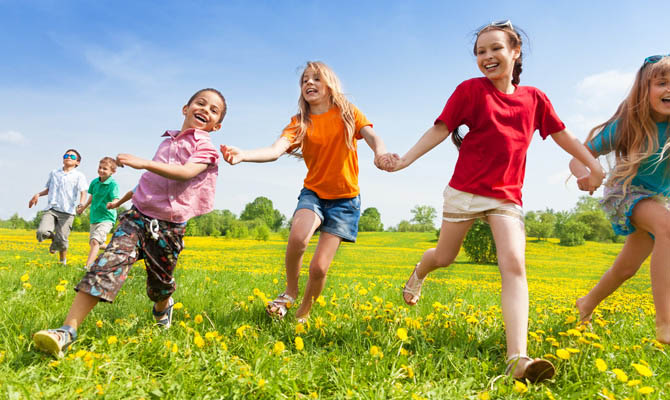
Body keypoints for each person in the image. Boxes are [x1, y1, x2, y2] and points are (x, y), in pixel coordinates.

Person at [379, 21, 605, 382]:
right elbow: (440, 128)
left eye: (495, 48)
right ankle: (418, 273)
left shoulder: (535, 99)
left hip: (506, 197)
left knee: (514, 264)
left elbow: (564, 136)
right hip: (465, 191)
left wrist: (594, 166)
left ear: (515, 52)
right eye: (480, 52)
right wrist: (405, 159)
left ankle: (518, 359)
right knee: (444, 257)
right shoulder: (470, 91)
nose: (487, 57)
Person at [32, 88, 226, 356]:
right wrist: (123, 199)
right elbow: (150, 182)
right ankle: (67, 331)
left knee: (160, 284)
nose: (205, 109)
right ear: (185, 108)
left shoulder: (205, 146)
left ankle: (162, 307)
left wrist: (142, 162)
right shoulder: (167, 141)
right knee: (105, 264)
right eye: (200, 103)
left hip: (168, 227)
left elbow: (185, 173)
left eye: (213, 110)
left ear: (217, 125)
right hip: (136, 217)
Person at [221, 61, 391, 322]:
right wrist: (243, 155)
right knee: (298, 238)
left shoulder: (348, 113)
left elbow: (373, 137)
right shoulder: (300, 122)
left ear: (329, 85)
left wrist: (380, 153)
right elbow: (275, 150)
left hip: (345, 201)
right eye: (304, 80)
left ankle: (303, 313)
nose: (309, 83)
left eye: (316, 79)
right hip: (314, 193)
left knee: (319, 267)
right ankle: (290, 292)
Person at [572, 54, 670, 343]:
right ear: (644, 89)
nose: (669, 90)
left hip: (653, 199)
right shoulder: (627, 124)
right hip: (624, 193)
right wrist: (587, 173)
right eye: (662, 83)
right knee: (667, 226)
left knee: (626, 268)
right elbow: (581, 154)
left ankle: (586, 304)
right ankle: (665, 322)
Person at [28, 149, 88, 265]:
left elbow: (83, 192)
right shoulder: (54, 173)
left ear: (78, 162)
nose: (69, 157)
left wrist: (81, 203)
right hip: (52, 209)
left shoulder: (79, 176)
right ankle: (55, 239)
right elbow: (49, 189)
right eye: (66, 155)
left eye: (72, 156)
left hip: (67, 212)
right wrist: (38, 194)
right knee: (41, 232)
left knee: (63, 240)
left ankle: (62, 263)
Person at [76, 157, 120, 269]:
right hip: (94, 217)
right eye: (100, 167)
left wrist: (113, 203)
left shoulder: (113, 185)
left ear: (112, 172)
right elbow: (92, 197)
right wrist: (83, 207)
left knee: (95, 241)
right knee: (94, 243)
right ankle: (114, 249)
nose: (101, 170)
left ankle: (88, 267)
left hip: (107, 218)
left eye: (105, 169)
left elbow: (116, 198)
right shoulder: (94, 182)